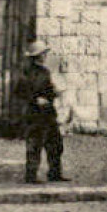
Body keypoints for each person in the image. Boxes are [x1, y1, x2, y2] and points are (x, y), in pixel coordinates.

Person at [17, 39, 69, 183]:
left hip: (48, 113)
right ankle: (31, 175)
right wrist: (35, 100)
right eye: (43, 54)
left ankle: (55, 173)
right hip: (34, 114)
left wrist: (55, 93)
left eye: (45, 53)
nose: (45, 56)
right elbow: (20, 92)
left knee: (55, 144)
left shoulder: (45, 72)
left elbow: (48, 90)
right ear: (36, 56)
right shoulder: (26, 73)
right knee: (35, 145)